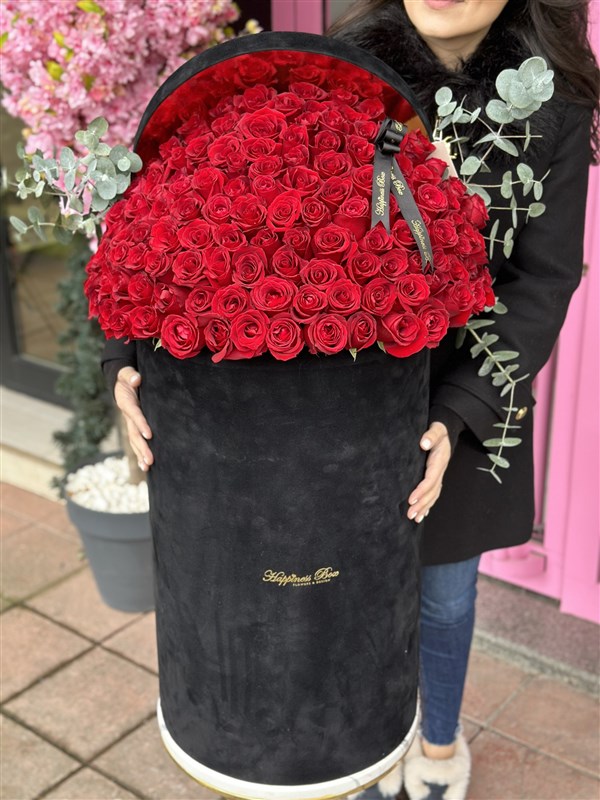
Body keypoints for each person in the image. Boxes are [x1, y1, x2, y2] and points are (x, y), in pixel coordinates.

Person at [100, 1, 599, 798]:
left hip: (464, 401)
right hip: (327, 429)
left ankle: (437, 740)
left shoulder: (552, 104)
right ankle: (363, 745)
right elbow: (186, 209)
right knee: (338, 594)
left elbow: (542, 278)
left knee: (443, 596)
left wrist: (460, 410)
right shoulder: (338, 67)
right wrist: (126, 357)